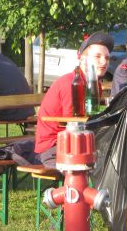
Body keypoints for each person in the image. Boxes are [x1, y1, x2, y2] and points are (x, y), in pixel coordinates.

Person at [35, 33, 113, 166]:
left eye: (107, 58)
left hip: (76, 142)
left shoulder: (95, 84)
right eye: (97, 56)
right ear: (83, 59)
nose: (104, 62)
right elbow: (72, 124)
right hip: (54, 147)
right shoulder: (71, 83)